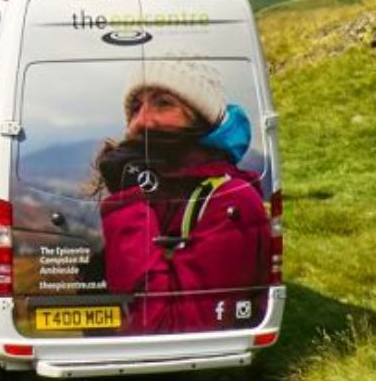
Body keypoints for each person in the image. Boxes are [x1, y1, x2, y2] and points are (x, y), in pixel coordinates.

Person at [92, 62, 273, 334]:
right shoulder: (153, 192)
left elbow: (163, 329)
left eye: (163, 103)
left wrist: (128, 201)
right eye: (135, 108)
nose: (142, 121)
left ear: (201, 121)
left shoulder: (230, 201)